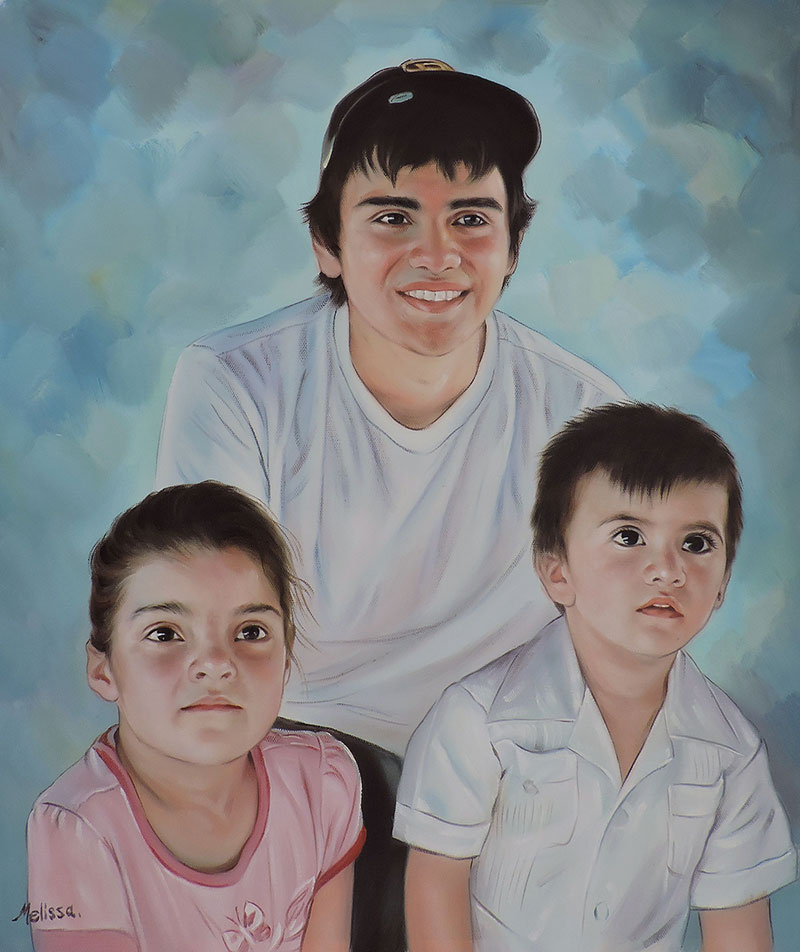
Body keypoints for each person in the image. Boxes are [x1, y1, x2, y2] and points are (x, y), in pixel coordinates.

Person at [155, 59, 624, 950]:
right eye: (393, 217)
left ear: (514, 244)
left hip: (502, 780)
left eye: (472, 218)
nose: (437, 255)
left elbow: (615, 649)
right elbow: (202, 626)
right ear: (327, 243)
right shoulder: (237, 383)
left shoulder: (587, 418)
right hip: (293, 756)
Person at [395, 403, 797, 952]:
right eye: (629, 537)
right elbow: (435, 888)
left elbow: (738, 929)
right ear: (556, 571)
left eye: (697, 544)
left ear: (724, 581)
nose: (668, 570)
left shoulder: (732, 752)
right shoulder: (478, 718)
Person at [25, 482, 364, 952]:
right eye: (165, 633)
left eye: (251, 631)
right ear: (104, 670)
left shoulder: (322, 783)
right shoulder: (77, 826)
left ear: (286, 661)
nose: (216, 663)